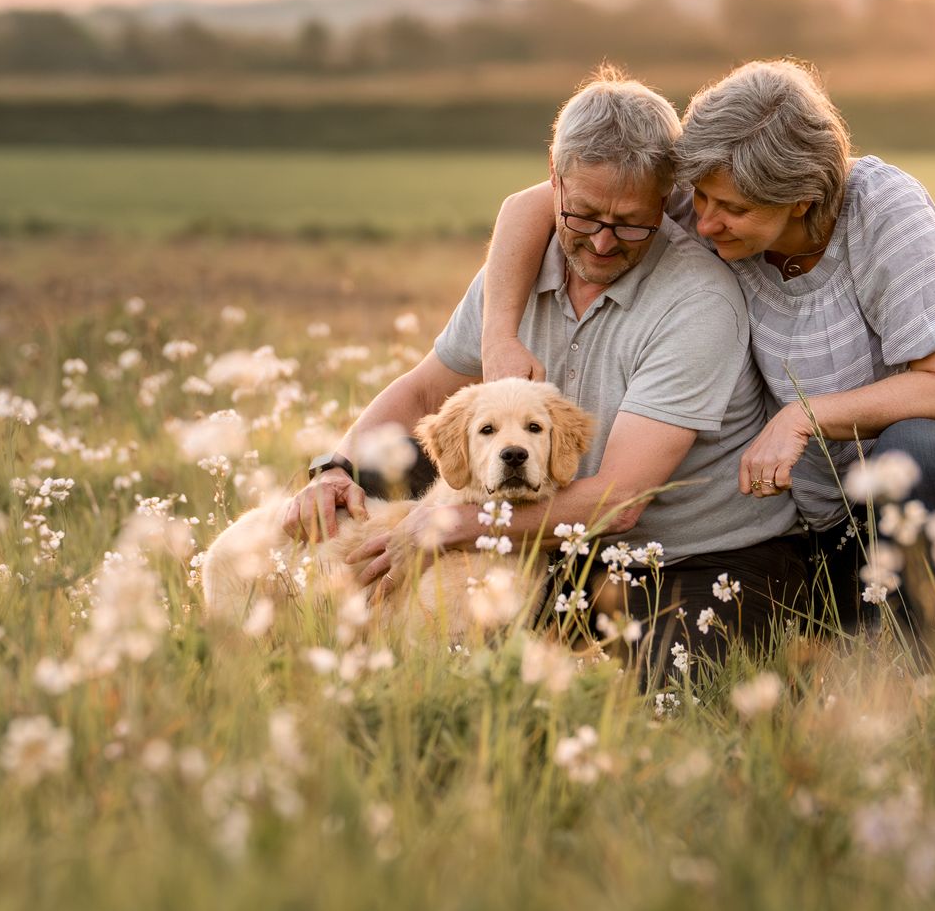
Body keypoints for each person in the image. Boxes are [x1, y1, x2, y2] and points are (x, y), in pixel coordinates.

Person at [282, 67, 801, 675]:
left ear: (668, 201)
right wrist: (334, 467)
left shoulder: (698, 302)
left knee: (647, 689)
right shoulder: (518, 267)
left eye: (631, 222)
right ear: (552, 178)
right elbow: (424, 390)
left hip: (693, 555)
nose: (603, 243)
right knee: (383, 469)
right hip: (550, 540)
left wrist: (446, 523)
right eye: (583, 215)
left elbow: (621, 502)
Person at [479, 58, 935, 636]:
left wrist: (804, 416)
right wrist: (499, 337)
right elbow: (535, 202)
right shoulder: (715, 192)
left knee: (912, 453)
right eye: (700, 198)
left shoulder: (883, 210)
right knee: (845, 650)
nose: (704, 224)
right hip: (819, 501)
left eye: (734, 210)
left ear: (801, 199)